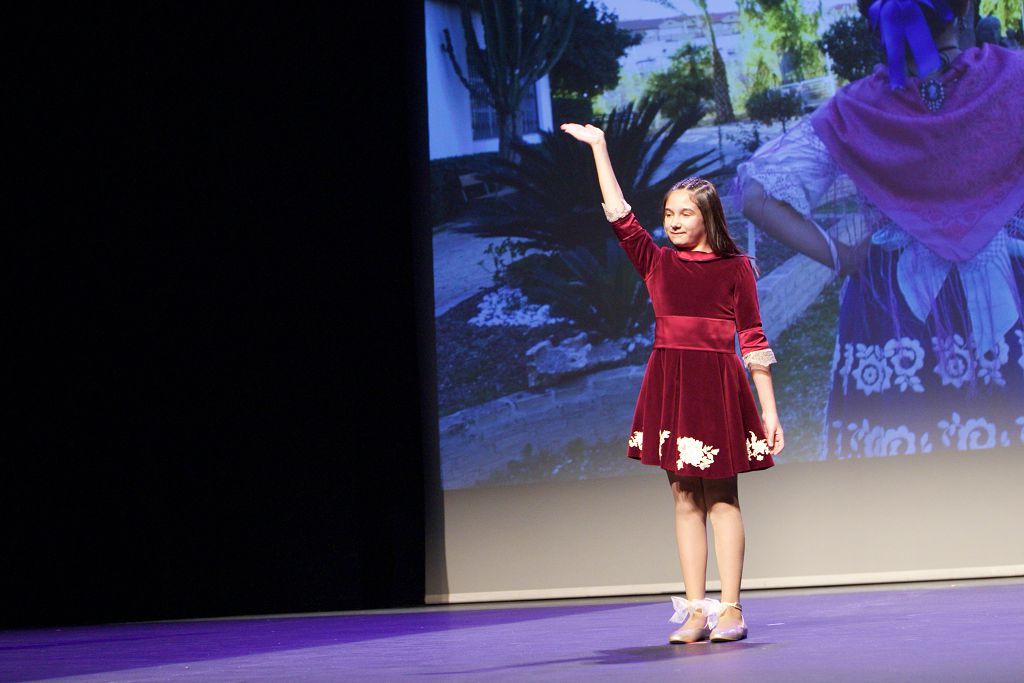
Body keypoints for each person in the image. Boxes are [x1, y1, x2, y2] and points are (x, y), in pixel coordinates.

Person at [739, 0, 1024, 460]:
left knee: (900, 474)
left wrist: (844, 257)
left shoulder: (854, 109)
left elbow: (757, 197)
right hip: (1009, 299)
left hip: (889, 312)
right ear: (967, 8)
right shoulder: (1014, 79)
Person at [562, 122, 784, 644]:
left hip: (716, 384)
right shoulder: (657, 263)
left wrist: (769, 411)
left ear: (708, 218)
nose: (675, 222)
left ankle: (731, 609)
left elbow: (752, 338)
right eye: (669, 213)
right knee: (685, 496)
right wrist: (599, 148)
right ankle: (696, 611)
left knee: (722, 497)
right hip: (671, 383)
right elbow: (620, 215)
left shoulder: (736, 268)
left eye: (686, 213)